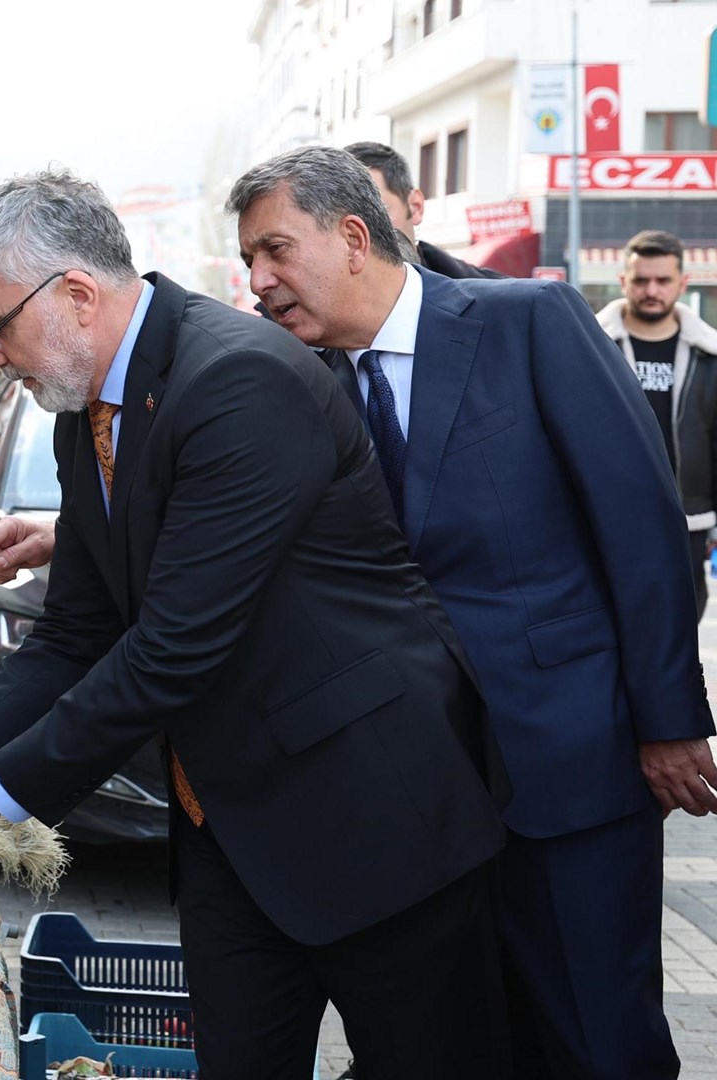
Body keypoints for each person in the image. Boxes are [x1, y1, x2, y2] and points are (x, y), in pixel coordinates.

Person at [0, 167, 510, 1075]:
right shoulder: (84, 414)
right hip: (229, 836)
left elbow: (171, 648)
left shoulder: (239, 379)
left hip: (372, 818)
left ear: (78, 294)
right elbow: (77, 633)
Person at [227, 145, 717, 1079]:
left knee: (599, 1045)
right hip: (422, 798)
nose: (259, 282)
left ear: (354, 236)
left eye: (275, 252)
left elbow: (641, 525)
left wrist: (668, 721)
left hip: (570, 767)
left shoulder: (525, 321)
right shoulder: (307, 383)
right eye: (250, 261)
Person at [596, 229, 717, 617]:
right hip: (609, 514)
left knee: (683, 617)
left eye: (663, 280)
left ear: (683, 282)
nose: (652, 289)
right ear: (623, 282)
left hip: (689, 517)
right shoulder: (594, 348)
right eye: (641, 280)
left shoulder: (708, 355)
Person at [343, 141, 505, 280]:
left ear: (415, 206)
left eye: (374, 213)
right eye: (343, 220)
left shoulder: (491, 299)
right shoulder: (323, 300)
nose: (359, 231)